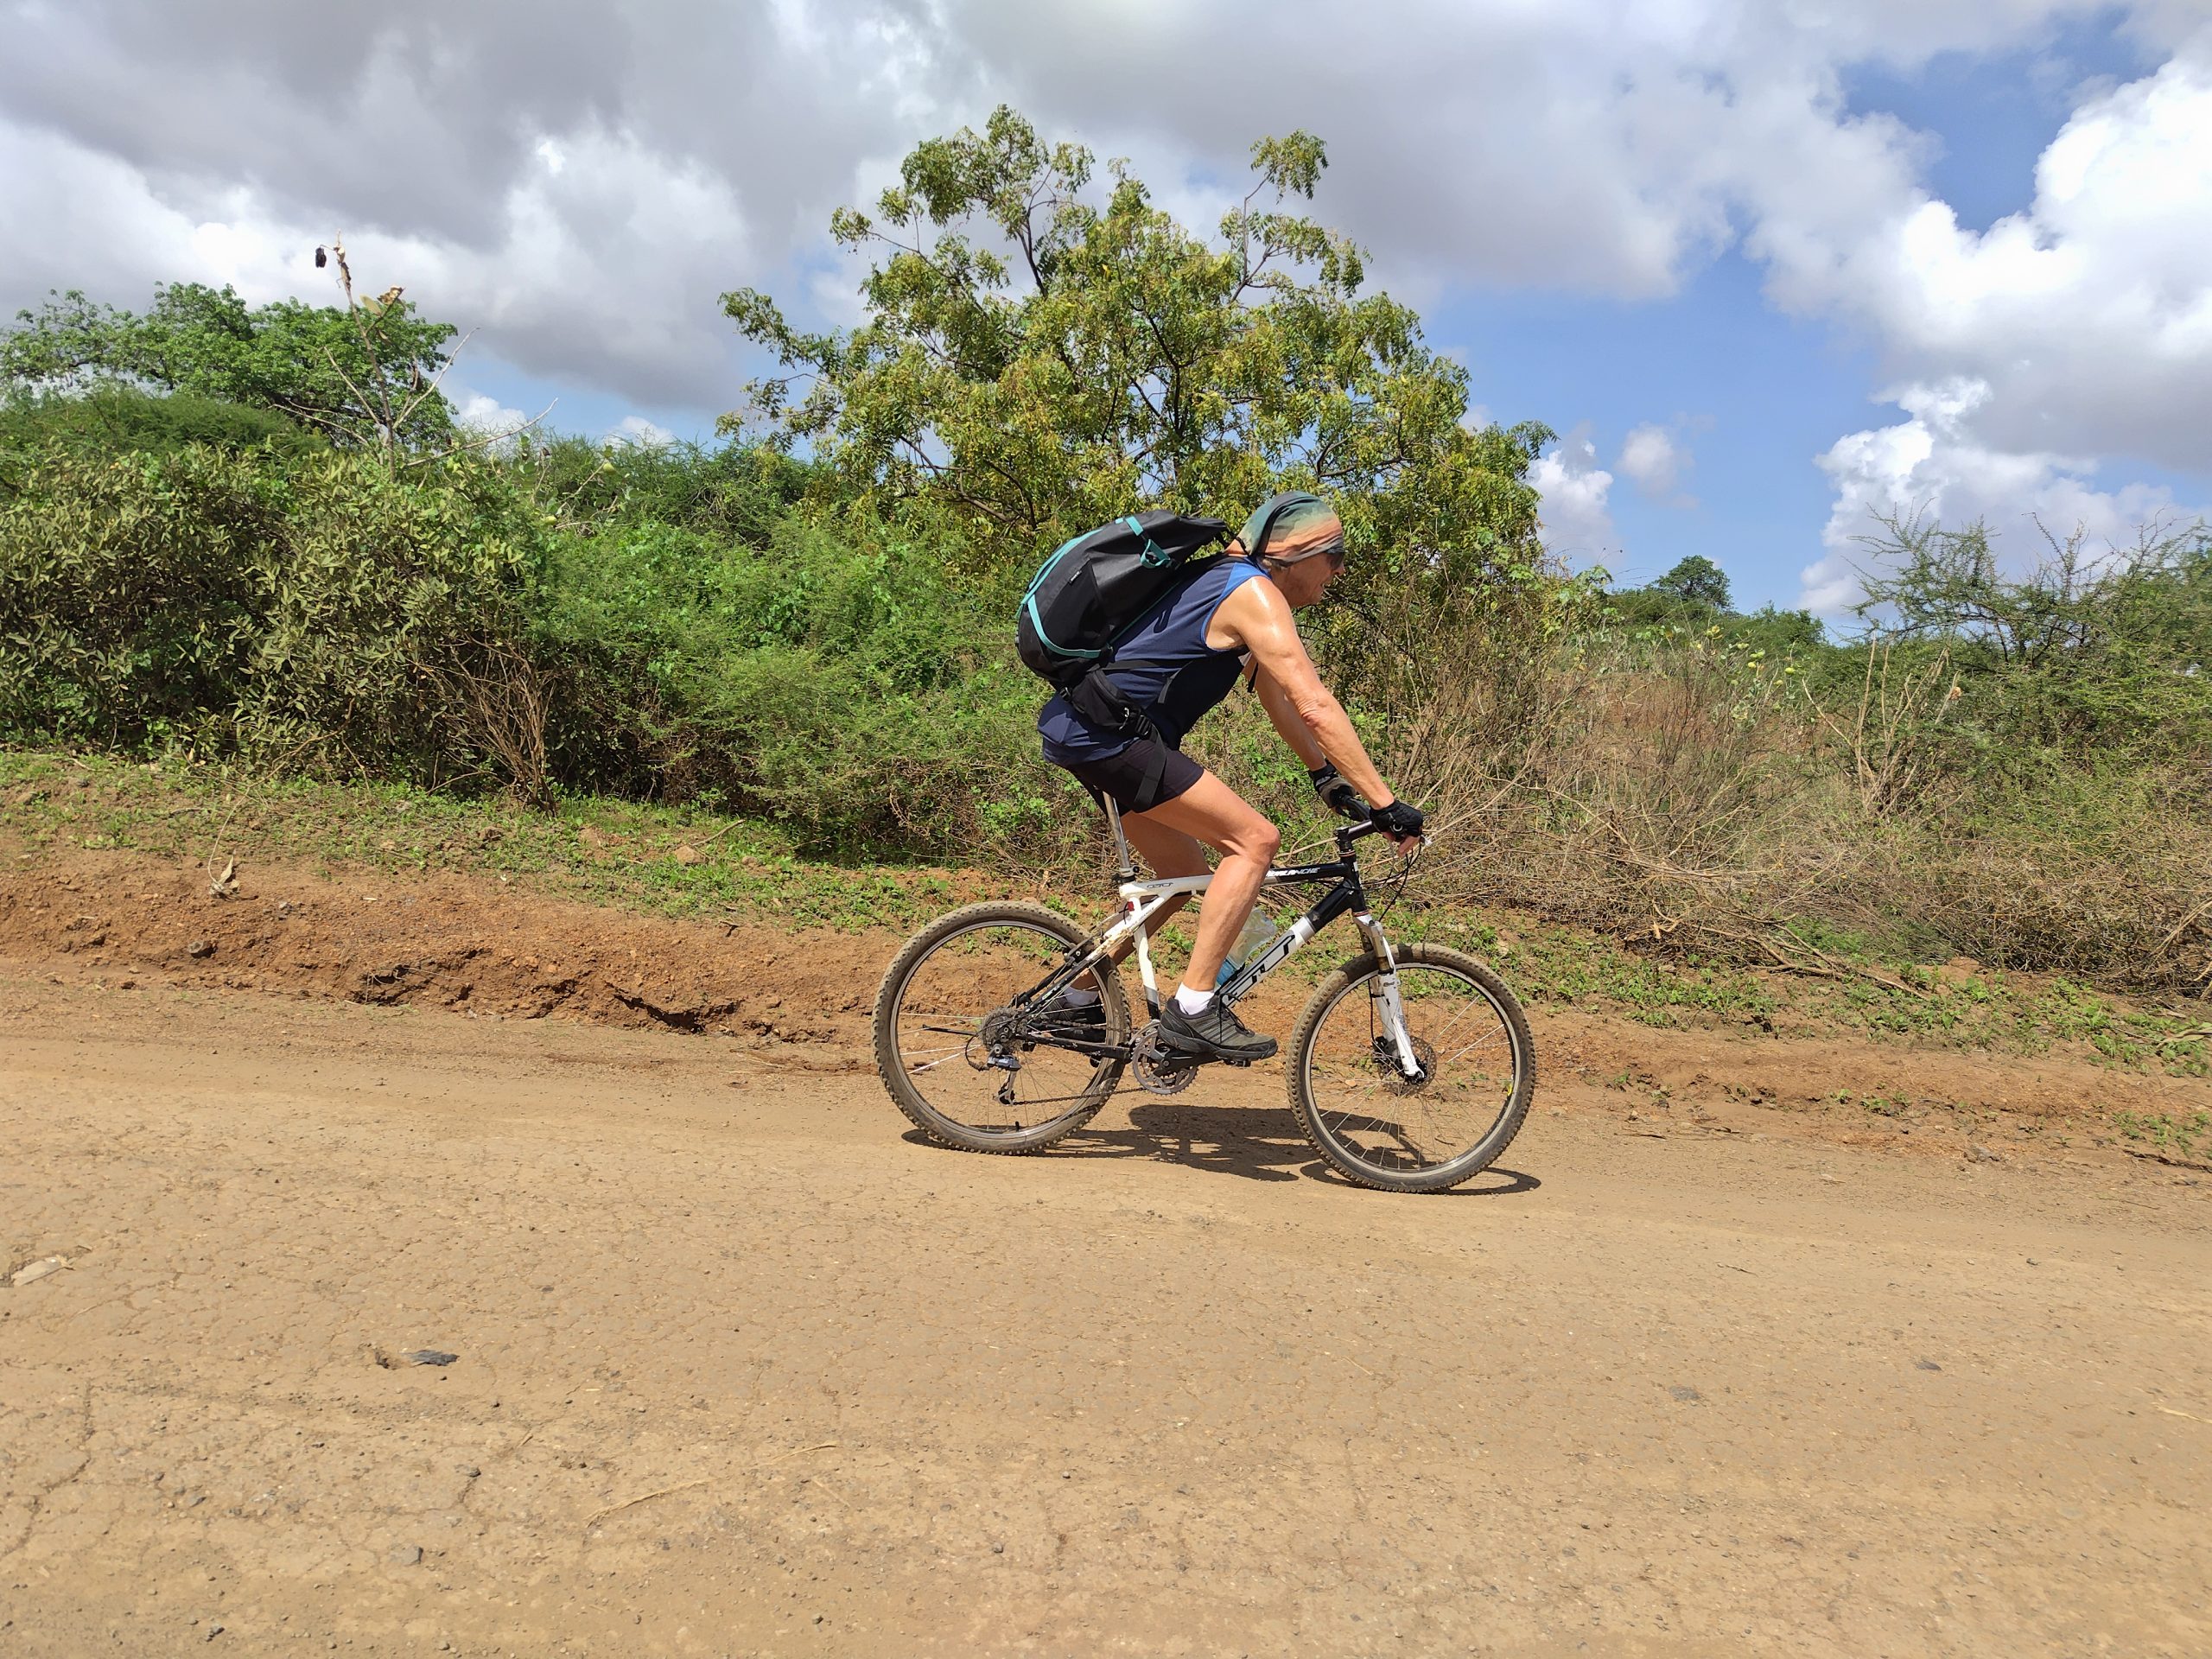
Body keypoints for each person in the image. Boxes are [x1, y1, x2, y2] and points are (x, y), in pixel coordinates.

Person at [1036, 491, 1425, 1062]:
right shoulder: (1251, 592)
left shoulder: (1227, 581)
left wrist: (1322, 775)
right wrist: (1386, 802)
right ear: (1293, 551)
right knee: (1256, 840)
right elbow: (1315, 702)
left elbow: (1279, 698)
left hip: (1092, 731)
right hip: (1112, 739)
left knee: (1182, 875)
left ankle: (1069, 999)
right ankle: (1193, 1008)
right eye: (1334, 555)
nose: (1339, 570)